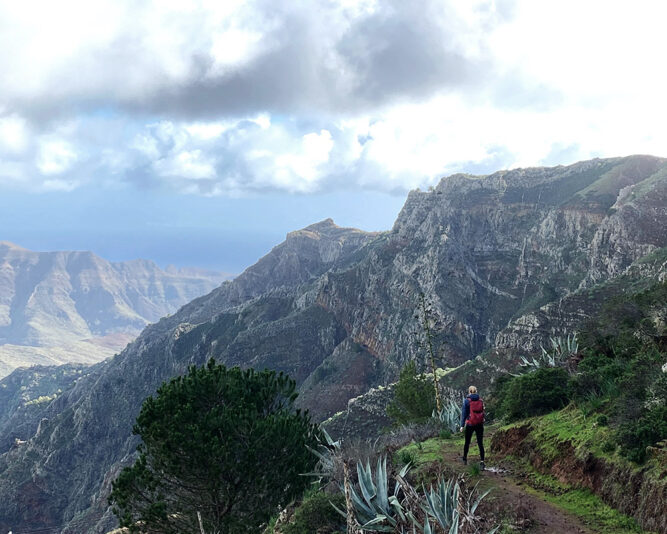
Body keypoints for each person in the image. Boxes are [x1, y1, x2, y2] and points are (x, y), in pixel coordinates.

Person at [460, 385, 485, 469]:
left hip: (470, 424)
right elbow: (482, 411)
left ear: (469, 391)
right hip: (479, 424)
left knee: (467, 442)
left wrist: (462, 425)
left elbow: (464, 414)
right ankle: (482, 462)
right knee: (480, 443)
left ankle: (464, 458)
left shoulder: (467, 401)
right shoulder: (480, 400)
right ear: (476, 391)